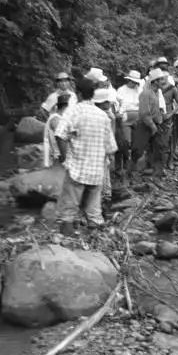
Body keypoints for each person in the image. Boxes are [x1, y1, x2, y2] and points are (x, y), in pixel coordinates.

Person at [54, 78, 118, 236]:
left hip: (77, 170)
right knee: (94, 214)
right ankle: (94, 244)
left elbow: (60, 135)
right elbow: (111, 148)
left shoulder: (73, 111)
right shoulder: (103, 116)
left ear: (79, 93)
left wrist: (63, 158)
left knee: (68, 212)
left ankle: (67, 245)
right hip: (97, 172)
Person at [130, 68, 168, 179]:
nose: (163, 82)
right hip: (145, 125)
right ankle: (129, 173)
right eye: (161, 80)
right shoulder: (146, 93)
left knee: (159, 148)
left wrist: (159, 121)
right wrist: (152, 126)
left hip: (155, 124)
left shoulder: (156, 93)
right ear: (155, 81)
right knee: (138, 149)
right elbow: (144, 113)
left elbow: (154, 109)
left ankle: (154, 172)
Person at [115, 70, 142, 174]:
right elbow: (119, 104)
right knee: (125, 141)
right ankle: (122, 163)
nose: (134, 84)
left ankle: (131, 165)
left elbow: (141, 104)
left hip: (137, 116)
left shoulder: (139, 90)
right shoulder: (121, 90)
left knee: (135, 142)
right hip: (125, 116)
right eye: (132, 81)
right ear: (129, 80)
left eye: (135, 82)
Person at [42, 93, 71, 168]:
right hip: (58, 156)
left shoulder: (63, 117)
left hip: (62, 154)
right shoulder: (55, 119)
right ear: (65, 106)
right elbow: (61, 137)